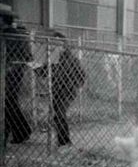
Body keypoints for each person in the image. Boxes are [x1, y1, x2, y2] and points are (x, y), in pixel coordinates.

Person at [35, 32, 85, 146]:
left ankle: (64, 141)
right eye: (52, 44)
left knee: (59, 114)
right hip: (56, 90)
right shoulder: (52, 59)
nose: (53, 46)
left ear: (63, 46)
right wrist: (35, 67)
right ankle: (63, 140)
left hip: (68, 91)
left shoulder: (71, 59)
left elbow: (82, 75)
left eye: (56, 44)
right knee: (57, 115)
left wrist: (74, 85)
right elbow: (43, 72)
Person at [1, 8, 32, 145]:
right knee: (10, 102)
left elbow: (12, 54)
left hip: (11, 71)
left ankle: (19, 132)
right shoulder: (16, 34)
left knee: (8, 101)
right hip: (15, 71)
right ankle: (21, 132)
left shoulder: (9, 35)